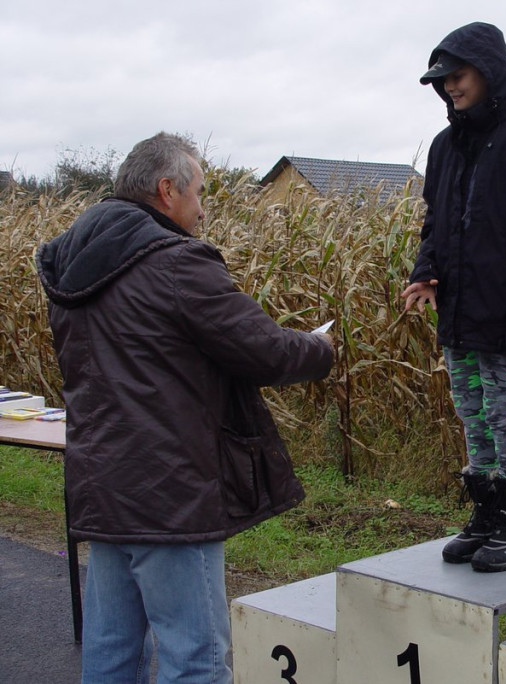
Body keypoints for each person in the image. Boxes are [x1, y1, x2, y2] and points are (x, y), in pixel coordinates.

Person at [35, 132, 334, 683]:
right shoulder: (175, 263)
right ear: (166, 189)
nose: (201, 210)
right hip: (169, 494)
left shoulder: (70, 262)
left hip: (102, 486)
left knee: (110, 649)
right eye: (198, 193)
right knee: (194, 658)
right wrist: (321, 347)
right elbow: (263, 350)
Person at [402, 22, 506, 572]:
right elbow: (437, 223)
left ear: (489, 71)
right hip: (459, 316)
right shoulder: (445, 146)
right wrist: (426, 272)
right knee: (472, 416)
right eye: (443, 79)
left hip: (505, 320)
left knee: (504, 417)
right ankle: (488, 513)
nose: (450, 86)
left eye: (459, 75)